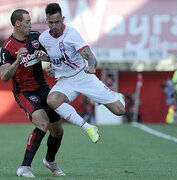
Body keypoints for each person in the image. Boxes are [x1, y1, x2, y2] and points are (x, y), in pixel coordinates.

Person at [35, 3, 125, 143]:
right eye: (51, 23)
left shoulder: (72, 34)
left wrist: (92, 66)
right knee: (52, 100)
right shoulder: (43, 38)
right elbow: (54, 57)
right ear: (46, 21)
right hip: (65, 81)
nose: (54, 26)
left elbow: (90, 55)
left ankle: (116, 95)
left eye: (57, 22)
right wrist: (49, 64)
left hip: (83, 76)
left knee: (120, 111)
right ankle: (88, 127)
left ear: (63, 19)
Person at [0, 9, 65, 178]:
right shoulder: (7, 48)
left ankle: (50, 160)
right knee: (43, 124)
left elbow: (51, 56)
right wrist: (17, 62)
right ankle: (24, 167)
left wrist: (48, 61)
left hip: (43, 88)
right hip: (25, 92)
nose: (31, 24)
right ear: (18, 24)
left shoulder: (36, 37)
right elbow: (4, 77)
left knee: (58, 131)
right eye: (27, 22)